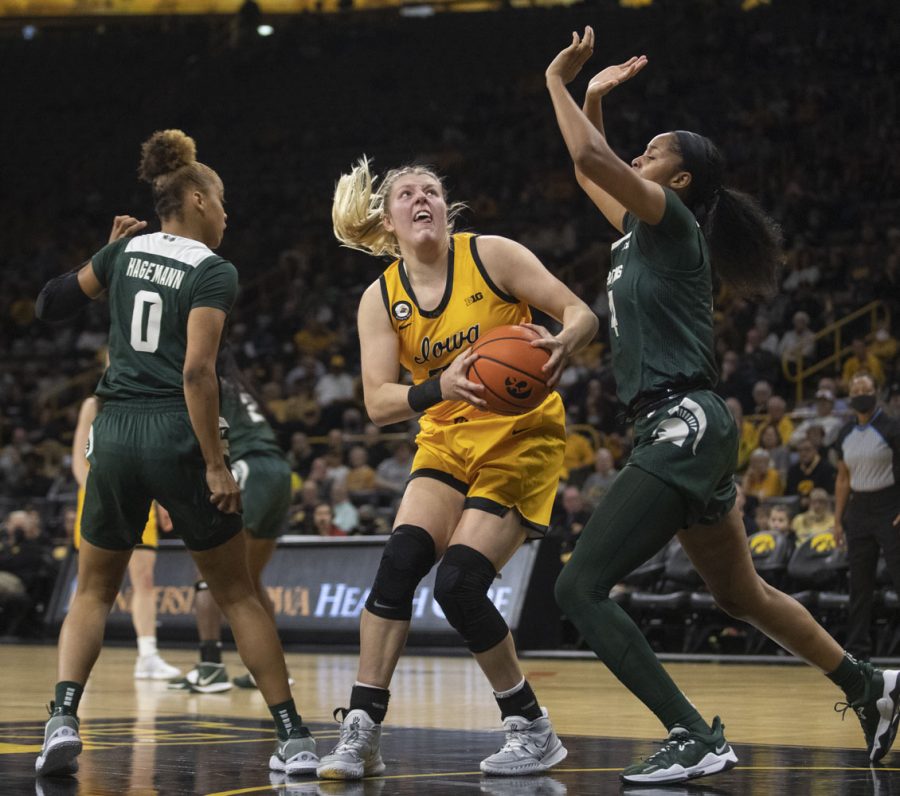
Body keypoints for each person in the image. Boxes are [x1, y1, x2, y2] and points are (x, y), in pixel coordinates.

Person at [545, 28, 900, 785]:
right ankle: (869, 684)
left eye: (653, 151)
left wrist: (559, 81)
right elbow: (593, 174)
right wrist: (594, 102)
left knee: (577, 588)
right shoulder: (635, 237)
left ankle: (691, 733)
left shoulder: (671, 227)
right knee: (742, 595)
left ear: (678, 184)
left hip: (683, 424)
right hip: (686, 427)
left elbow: (586, 160)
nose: (639, 155)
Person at [32, 130, 316, 778]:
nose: (226, 214)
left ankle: (61, 717)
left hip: (114, 430)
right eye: (221, 202)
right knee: (238, 591)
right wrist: (217, 462)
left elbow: (49, 305)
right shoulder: (215, 270)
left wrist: (106, 253)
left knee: (93, 589)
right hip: (170, 428)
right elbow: (196, 373)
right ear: (194, 197)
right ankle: (294, 736)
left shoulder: (123, 253)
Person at [316, 156, 598, 780]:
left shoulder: (491, 255)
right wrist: (438, 386)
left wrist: (562, 342)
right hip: (447, 439)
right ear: (389, 221)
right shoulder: (381, 298)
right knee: (398, 568)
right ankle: (361, 733)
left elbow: (581, 312)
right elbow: (378, 403)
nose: (422, 199)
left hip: (522, 438)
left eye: (433, 191)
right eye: (407, 194)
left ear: (446, 209)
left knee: (458, 584)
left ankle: (530, 727)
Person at [167, 347, 295, 693]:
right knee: (250, 579)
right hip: (279, 472)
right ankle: (269, 667)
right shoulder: (239, 387)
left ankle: (209, 667)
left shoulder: (203, 383)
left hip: (248, 467)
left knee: (210, 570)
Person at [71, 386, 181, 681]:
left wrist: (161, 498)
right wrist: (96, 494)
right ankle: (76, 658)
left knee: (145, 579)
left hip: (140, 495)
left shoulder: (146, 400)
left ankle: (147, 655)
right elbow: (78, 462)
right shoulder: (93, 404)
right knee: (92, 584)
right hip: (100, 494)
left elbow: (150, 458)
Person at [834, 373, 900, 661]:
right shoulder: (844, 433)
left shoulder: (892, 427)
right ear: (850, 396)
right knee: (859, 585)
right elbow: (842, 479)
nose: (860, 393)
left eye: (865, 388)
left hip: (890, 506)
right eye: (855, 388)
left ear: (876, 393)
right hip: (859, 510)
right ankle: (858, 652)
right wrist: (838, 519)